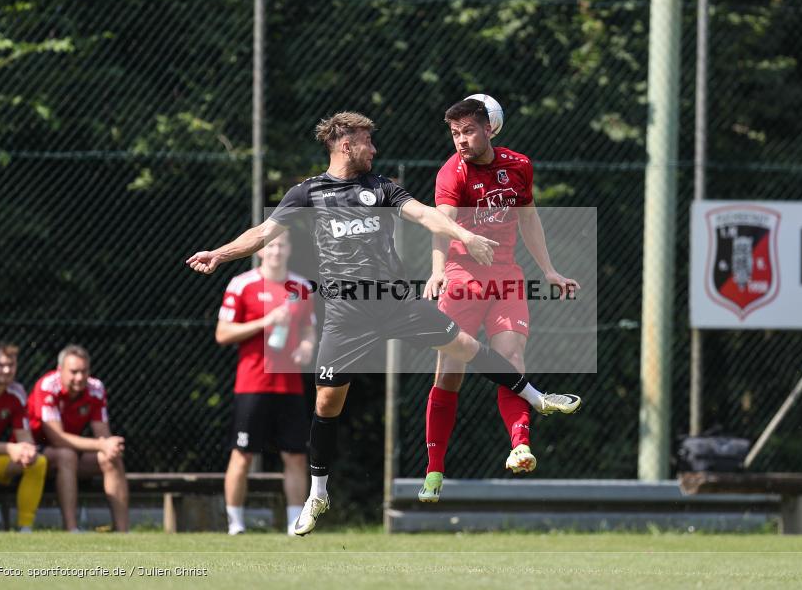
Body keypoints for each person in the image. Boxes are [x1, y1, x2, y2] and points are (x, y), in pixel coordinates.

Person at [186, 111, 581, 536]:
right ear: (344, 144)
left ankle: (537, 398)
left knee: (465, 348)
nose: (374, 149)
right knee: (325, 405)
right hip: (346, 315)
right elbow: (263, 233)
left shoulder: (382, 187)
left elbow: (427, 215)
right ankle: (318, 494)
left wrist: (464, 236)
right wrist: (220, 254)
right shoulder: (308, 192)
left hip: (394, 302)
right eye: (366, 142)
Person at [418, 98, 580, 502]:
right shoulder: (450, 174)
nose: (461, 141)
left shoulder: (519, 166)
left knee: (512, 361)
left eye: (468, 131)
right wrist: (438, 270)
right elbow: (441, 225)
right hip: (461, 280)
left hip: (506, 278)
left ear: (490, 128)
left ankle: (520, 446)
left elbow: (529, 218)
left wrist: (550, 271)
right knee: (448, 375)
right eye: (455, 134)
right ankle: (434, 470)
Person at [216, 231, 316, 535]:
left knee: (296, 456)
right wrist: (265, 321)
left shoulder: (301, 287)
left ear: (289, 249)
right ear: (260, 250)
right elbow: (222, 334)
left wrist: (308, 346)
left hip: (289, 386)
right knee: (242, 453)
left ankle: (295, 524)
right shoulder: (241, 284)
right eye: (270, 245)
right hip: (252, 384)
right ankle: (236, 525)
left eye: (281, 245)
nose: (275, 251)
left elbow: (310, 331)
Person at [27, 345, 129, 532]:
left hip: (72, 454)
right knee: (66, 455)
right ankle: (72, 529)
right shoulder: (47, 386)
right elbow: (57, 439)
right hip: (36, 455)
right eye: (74, 372)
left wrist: (109, 446)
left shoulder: (96, 388)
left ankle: (123, 531)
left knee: (111, 457)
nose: (80, 377)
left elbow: (102, 434)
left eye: (84, 371)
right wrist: (101, 444)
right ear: (60, 370)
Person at [0, 342, 47, 531]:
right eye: (0, 365)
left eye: (11, 365)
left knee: (38, 462)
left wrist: (27, 450)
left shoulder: (17, 392)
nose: (7, 370)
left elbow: (24, 436)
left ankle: (25, 529)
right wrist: (9, 448)